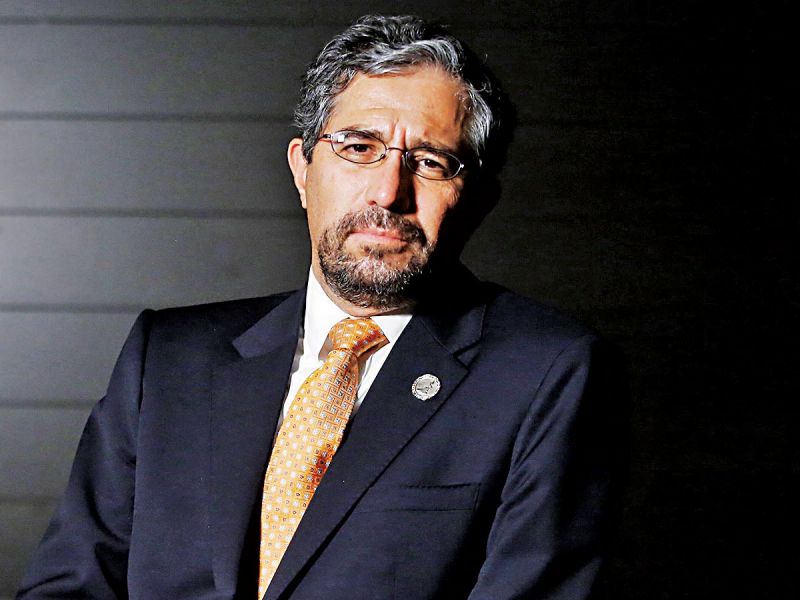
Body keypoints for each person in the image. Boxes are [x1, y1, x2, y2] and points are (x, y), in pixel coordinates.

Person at [17, 14, 626, 600]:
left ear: (477, 199)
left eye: (431, 162)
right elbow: (70, 586)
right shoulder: (168, 358)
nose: (388, 192)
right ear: (302, 169)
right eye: (359, 147)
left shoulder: (547, 373)